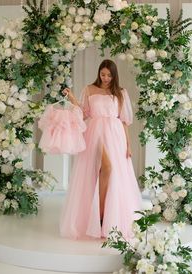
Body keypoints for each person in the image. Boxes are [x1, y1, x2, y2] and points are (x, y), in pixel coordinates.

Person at [60, 59, 142, 239]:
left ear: (114, 76)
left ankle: (105, 217)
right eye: (103, 74)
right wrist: (72, 98)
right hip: (95, 132)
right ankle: (99, 214)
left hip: (115, 134)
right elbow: (83, 113)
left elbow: (124, 121)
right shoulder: (89, 89)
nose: (105, 78)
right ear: (99, 73)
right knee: (103, 169)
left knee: (112, 172)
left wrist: (128, 144)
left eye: (109, 75)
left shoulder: (120, 93)